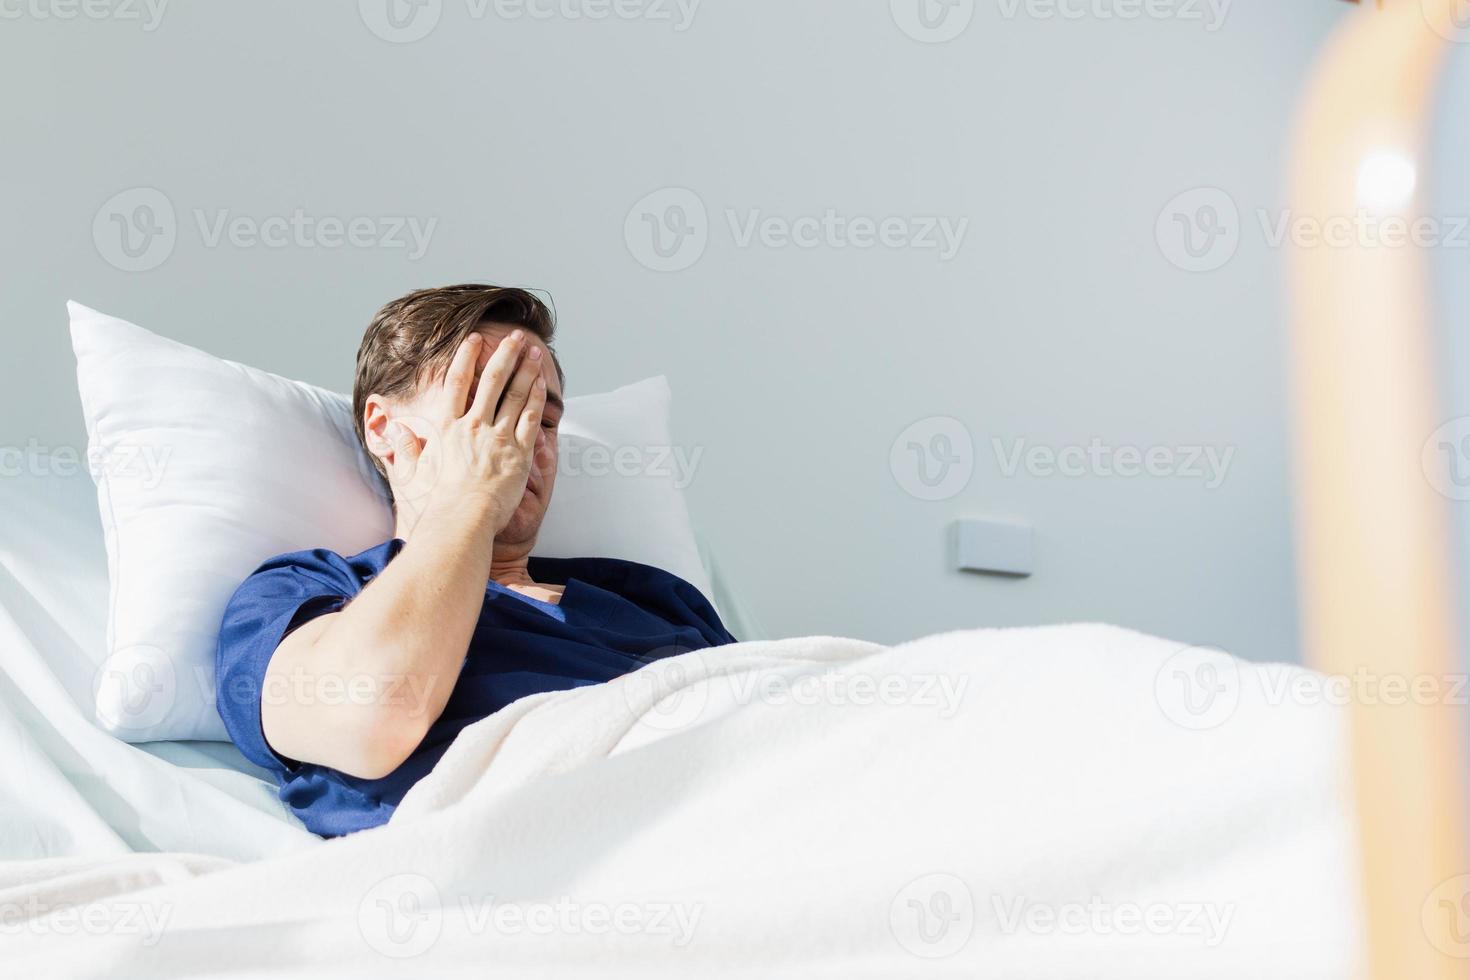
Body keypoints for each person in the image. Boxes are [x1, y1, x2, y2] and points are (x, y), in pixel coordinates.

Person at [215, 284, 735, 837]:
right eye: (485, 406)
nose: (521, 439)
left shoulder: (653, 597)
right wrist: (473, 496)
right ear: (384, 428)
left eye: (544, 420)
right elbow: (371, 715)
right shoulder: (306, 593)